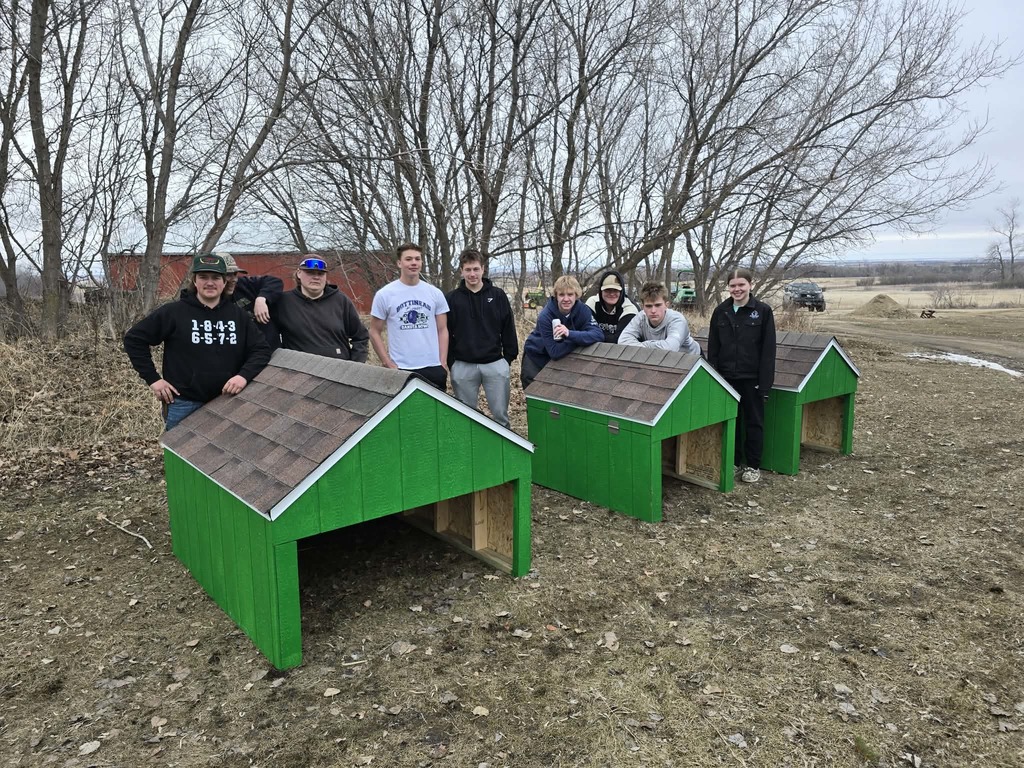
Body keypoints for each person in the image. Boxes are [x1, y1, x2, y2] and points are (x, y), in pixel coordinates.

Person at [124, 253, 271, 430]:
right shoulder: (174, 312)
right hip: (184, 404)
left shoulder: (238, 315)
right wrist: (153, 380)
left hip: (227, 401)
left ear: (224, 282)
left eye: (216, 277)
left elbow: (261, 349)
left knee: (225, 448)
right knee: (177, 448)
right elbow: (134, 339)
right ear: (194, 281)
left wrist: (243, 376)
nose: (210, 283)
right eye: (203, 277)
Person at [707, 268, 777, 484]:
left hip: (752, 378)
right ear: (728, 287)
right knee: (732, 421)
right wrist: (715, 378)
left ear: (750, 285)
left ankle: (753, 466)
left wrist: (764, 384)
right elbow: (713, 348)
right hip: (727, 378)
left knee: (754, 422)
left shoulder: (763, 311)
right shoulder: (721, 311)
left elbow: (768, 351)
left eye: (741, 285)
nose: (737, 289)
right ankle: (734, 462)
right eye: (733, 285)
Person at [445, 249, 518, 428]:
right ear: (461, 271)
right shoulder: (452, 299)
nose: (472, 274)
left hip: (495, 364)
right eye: (468, 270)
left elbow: (508, 327)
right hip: (463, 366)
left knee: (500, 417)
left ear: (483, 269)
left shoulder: (498, 295)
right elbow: (445, 332)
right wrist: (451, 362)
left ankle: (502, 445)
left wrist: (508, 358)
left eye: (476, 269)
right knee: (466, 418)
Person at [369, 243, 450, 390]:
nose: (413, 263)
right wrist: (387, 362)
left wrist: (442, 362)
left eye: (417, 259)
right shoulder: (385, 295)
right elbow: (374, 331)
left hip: (433, 366)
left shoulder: (435, 293)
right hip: (401, 368)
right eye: (408, 259)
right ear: (399, 263)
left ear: (421, 262)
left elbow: (442, 329)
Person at [274, 255, 369, 362]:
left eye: (321, 273)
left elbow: (360, 337)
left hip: (338, 367)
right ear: (299, 273)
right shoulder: (283, 302)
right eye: (310, 273)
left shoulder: (341, 301)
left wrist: (355, 365)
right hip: (298, 368)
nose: (316, 277)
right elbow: (269, 338)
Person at [521, 275, 604, 389]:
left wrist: (570, 334)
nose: (566, 299)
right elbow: (555, 352)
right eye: (561, 295)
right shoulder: (545, 316)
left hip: (563, 358)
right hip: (536, 358)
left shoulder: (583, 310)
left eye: (570, 294)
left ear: (576, 295)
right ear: (556, 296)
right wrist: (581, 340)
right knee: (536, 395)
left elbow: (599, 335)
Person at [218, 252, 284, 350]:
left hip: (272, 351)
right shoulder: (210, 302)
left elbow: (275, 282)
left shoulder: (244, 285)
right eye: (228, 275)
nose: (234, 279)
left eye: (235, 274)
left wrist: (262, 298)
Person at [619, 281, 702, 354]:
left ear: (666, 305)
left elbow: (671, 348)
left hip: (694, 361)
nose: (653, 311)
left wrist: (643, 344)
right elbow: (622, 341)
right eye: (648, 306)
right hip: (661, 360)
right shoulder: (640, 318)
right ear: (642, 306)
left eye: (658, 305)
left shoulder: (677, 320)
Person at [585, 270, 638, 343]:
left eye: (615, 290)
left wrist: (594, 334)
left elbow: (619, 339)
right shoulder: (592, 303)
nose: (612, 294)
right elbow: (583, 329)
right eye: (607, 290)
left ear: (621, 291)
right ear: (601, 291)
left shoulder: (629, 309)